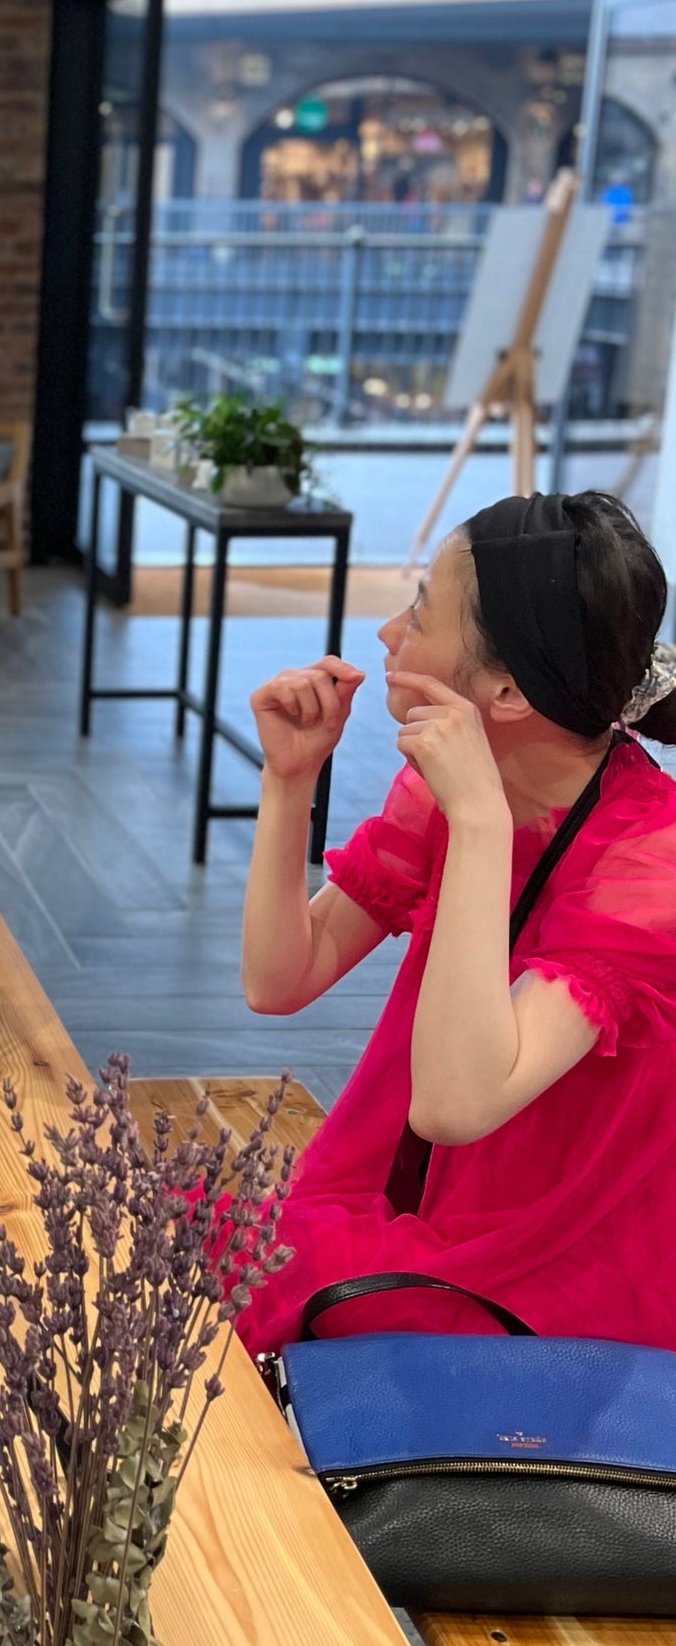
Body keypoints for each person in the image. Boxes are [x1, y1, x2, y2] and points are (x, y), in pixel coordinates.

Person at [237, 491, 676, 1354]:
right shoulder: (466, 791)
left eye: (419, 613)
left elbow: (452, 1104)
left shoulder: (648, 865)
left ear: (506, 690)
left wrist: (478, 821)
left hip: (563, 1263)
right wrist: (290, 784)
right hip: (421, 1204)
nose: (388, 636)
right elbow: (279, 980)